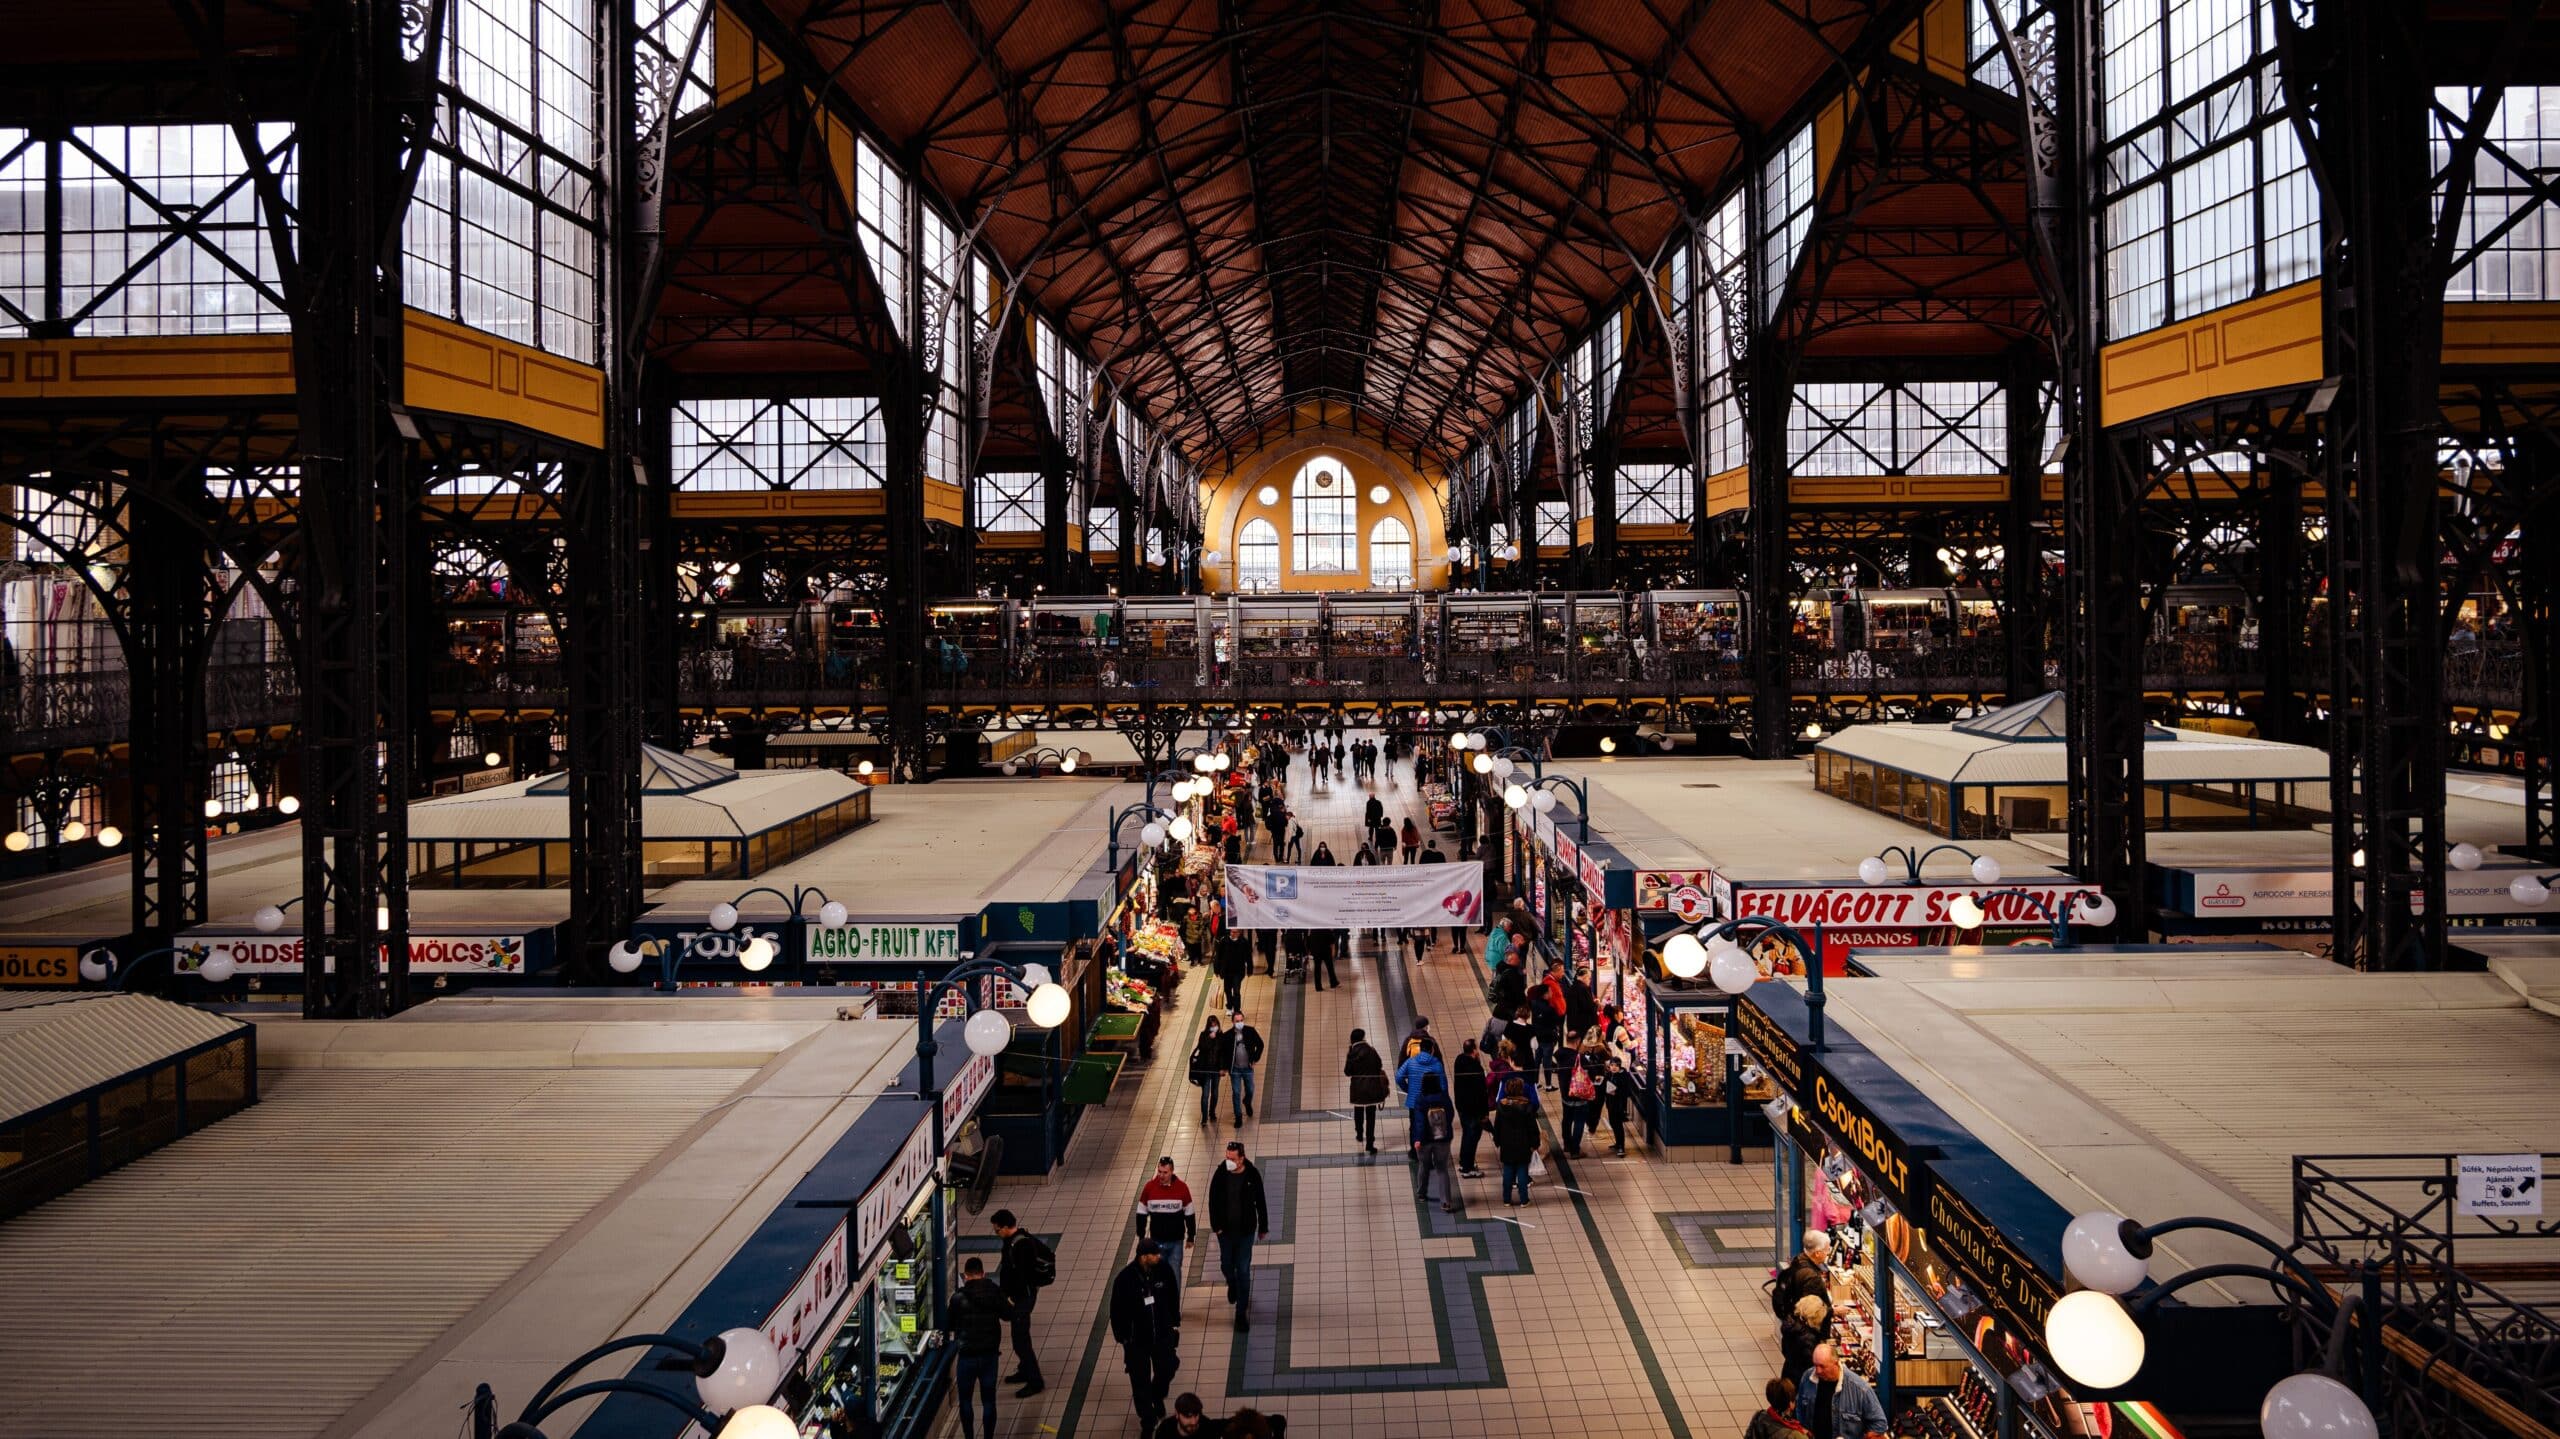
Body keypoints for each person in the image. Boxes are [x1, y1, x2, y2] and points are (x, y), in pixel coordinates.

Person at [1111, 1239, 1183, 1431]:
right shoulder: (1125, 1279)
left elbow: (1172, 1296)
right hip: (1137, 1342)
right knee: (1139, 1382)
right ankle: (1148, 1421)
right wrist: (1123, 1337)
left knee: (1167, 1368)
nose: (1159, 1256)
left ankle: (1157, 1394)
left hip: (1162, 1335)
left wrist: (1174, 1322)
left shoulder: (1164, 1270)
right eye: (1155, 1254)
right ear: (1143, 1257)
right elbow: (1116, 1310)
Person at [946, 1256, 1014, 1439]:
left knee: (966, 1400)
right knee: (989, 1401)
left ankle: (969, 1436)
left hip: (966, 1356)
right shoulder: (994, 1292)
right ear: (983, 1273)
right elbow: (1008, 1315)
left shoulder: (958, 1298)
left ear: (965, 1276)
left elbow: (949, 1325)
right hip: (989, 1355)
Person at [1206, 1139, 1270, 1329]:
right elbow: (1212, 1200)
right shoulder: (1221, 1173)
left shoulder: (1252, 1174)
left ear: (1241, 1158)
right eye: (1227, 1157)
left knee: (1243, 1269)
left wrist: (1263, 1226)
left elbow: (1261, 1200)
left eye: (1232, 1158)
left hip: (1245, 1232)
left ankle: (1240, 1313)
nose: (1228, 1161)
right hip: (1224, 1232)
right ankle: (1231, 1283)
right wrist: (1216, 1226)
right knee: (1226, 1265)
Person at [991, 1209, 1054, 1396]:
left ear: (1004, 1227)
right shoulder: (1017, 1239)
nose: (996, 1233)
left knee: (1021, 1340)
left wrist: (1010, 1296)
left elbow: (1020, 1274)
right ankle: (1024, 1370)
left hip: (1023, 1298)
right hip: (1023, 1295)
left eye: (997, 1230)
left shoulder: (1020, 1245)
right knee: (1019, 1337)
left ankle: (1035, 1381)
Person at [1795, 1343, 1889, 1439]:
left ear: (1835, 1363)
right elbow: (1799, 1409)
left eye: (1822, 1366)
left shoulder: (1860, 1389)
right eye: (1815, 1365)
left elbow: (1880, 1424)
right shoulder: (1808, 1378)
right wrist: (1802, 1429)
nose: (1818, 1371)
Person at [1134, 1155, 1198, 1281]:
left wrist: (1191, 1236)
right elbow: (1141, 1213)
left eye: (1165, 1172)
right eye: (1159, 1172)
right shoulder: (1149, 1188)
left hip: (1176, 1242)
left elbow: (1189, 1214)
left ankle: (1174, 1300)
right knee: (1158, 1277)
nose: (1161, 1176)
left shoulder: (1182, 1188)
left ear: (1172, 1171)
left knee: (1174, 1276)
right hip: (1157, 1242)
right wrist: (1141, 1236)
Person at [1491, 1065, 1543, 1207]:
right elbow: (1532, 1127)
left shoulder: (1501, 1107)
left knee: (1508, 1170)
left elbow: (1498, 1126)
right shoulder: (1527, 1107)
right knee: (1522, 1171)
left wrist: (1497, 1140)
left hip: (1507, 1143)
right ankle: (1524, 1199)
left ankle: (1507, 1199)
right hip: (1523, 1143)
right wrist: (1535, 1143)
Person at [1411, 1071, 1461, 1211]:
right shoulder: (1444, 1097)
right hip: (1443, 1138)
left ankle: (1421, 1193)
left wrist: (1418, 1140)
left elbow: (1419, 1122)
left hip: (1425, 1140)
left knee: (1423, 1165)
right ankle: (1445, 1201)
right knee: (1442, 1169)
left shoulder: (1420, 1099)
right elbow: (1450, 1114)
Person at [1344, 1027, 1388, 1154]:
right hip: (1372, 1087)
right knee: (1371, 1116)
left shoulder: (1352, 1053)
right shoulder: (1371, 1050)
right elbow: (1379, 1064)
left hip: (1358, 1089)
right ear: (1363, 1037)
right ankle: (1370, 1144)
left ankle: (1359, 1133)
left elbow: (1347, 1072)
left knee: (1358, 1112)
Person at [1773, 1233, 1834, 1324]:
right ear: (1817, 1253)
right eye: (1827, 1250)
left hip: (1791, 1320)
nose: (1828, 1253)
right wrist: (1833, 1312)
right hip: (1804, 1328)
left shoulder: (1798, 1259)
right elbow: (1810, 1310)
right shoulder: (1811, 1276)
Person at [1452, 1037, 1490, 1177]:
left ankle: (1464, 1161)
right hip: (1474, 1109)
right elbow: (1481, 1093)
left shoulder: (1459, 1060)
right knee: (1472, 1136)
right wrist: (1484, 1113)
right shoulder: (1475, 1068)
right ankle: (1468, 1168)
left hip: (1462, 1105)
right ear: (1474, 1050)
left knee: (1467, 1133)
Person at [1188, 1017, 1231, 1126]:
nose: (1214, 1027)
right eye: (1212, 1025)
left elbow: (1222, 1054)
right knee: (1205, 1094)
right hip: (1205, 1069)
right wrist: (1210, 1038)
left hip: (1216, 1069)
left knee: (1215, 1092)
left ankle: (1212, 1112)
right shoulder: (1203, 1035)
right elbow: (1203, 1048)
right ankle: (1204, 1117)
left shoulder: (1221, 1036)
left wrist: (1222, 1068)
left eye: (1215, 1025)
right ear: (1208, 1026)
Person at [1781, 1293, 1830, 1382]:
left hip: (1788, 1372)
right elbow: (1812, 1365)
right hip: (1802, 1380)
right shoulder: (1809, 1338)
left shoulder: (1791, 1325)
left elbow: (1784, 1350)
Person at [1226, 1009, 1264, 1126]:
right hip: (1235, 1069)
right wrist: (1224, 1067)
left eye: (1241, 1020)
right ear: (1233, 1022)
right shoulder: (1228, 1036)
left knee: (1250, 1089)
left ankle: (1247, 1102)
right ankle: (1238, 1117)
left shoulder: (1250, 1031)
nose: (1240, 1023)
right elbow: (1223, 1052)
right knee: (1236, 1092)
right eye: (1237, 1021)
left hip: (1248, 1068)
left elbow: (1260, 1044)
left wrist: (1255, 1059)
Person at [1599, 1053, 1635, 1157]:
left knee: (1618, 1125)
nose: (1613, 1067)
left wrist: (1616, 1092)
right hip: (1610, 1104)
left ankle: (1621, 1147)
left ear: (1619, 1066)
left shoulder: (1624, 1076)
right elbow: (1605, 1085)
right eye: (1612, 1065)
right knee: (1613, 1123)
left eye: (1616, 1065)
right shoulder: (1609, 1074)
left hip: (1619, 1105)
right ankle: (1617, 1143)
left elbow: (1627, 1092)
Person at [1153, 1392, 1222, 1439]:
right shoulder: (1165, 1430)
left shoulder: (1207, 1429)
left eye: (1196, 1415)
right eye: (1187, 1417)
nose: (1194, 1422)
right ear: (1177, 1414)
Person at [1215, 929, 1251, 1014]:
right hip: (1227, 971)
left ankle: (1237, 1009)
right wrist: (1217, 969)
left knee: (1236, 991)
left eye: (1235, 932)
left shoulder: (1243, 942)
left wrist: (1250, 969)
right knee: (1227, 990)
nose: (1232, 934)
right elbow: (1218, 956)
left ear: (1239, 933)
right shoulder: (1224, 941)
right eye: (1231, 932)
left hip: (1238, 971)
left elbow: (1248, 956)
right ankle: (1229, 1006)